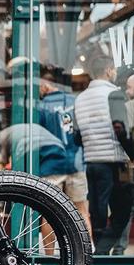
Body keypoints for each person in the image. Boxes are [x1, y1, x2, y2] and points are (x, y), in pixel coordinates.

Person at [74, 56, 132, 255]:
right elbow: (121, 130)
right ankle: (102, 251)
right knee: (123, 210)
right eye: (114, 70)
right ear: (108, 70)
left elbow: (76, 136)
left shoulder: (80, 98)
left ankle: (99, 254)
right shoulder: (114, 94)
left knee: (97, 210)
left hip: (91, 161)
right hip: (114, 162)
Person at [37, 73, 91, 253]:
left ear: (46, 85)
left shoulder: (41, 106)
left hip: (51, 165)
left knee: (49, 213)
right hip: (76, 163)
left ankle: (49, 257)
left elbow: (37, 137)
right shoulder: (76, 102)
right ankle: (86, 254)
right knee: (81, 211)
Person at [111, 74, 134, 254]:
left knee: (126, 207)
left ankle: (119, 249)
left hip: (131, 165)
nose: (127, 91)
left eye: (130, 87)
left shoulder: (129, 107)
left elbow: (123, 137)